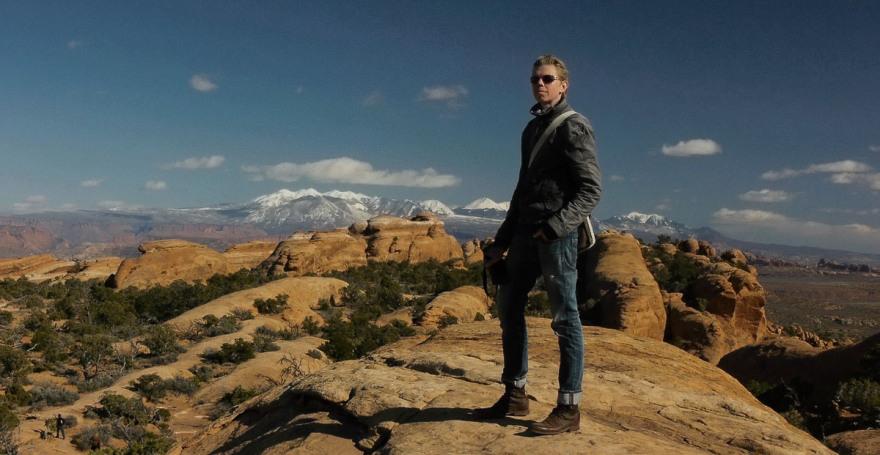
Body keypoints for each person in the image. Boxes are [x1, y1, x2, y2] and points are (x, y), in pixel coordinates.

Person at [476, 55, 601, 435]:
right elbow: (521, 190)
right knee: (508, 306)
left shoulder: (574, 127)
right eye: (535, 79)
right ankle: (515, 393)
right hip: (525, 234)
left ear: (564, 84)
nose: (540, 85)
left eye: (548, 79)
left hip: (556, 238)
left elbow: (591, 189)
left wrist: (555, 227)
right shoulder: (532, 129)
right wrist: (501, 240)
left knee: (565, 319)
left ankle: (568, 408)